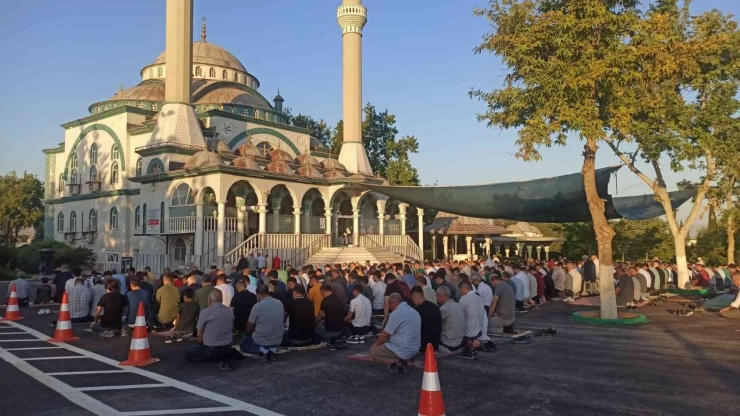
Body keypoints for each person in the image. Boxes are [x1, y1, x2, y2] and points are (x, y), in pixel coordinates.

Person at [185, 290, 239, 371]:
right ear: (222, 299)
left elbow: (199, 334)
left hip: (211, 349)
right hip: (226, 348)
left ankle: (207, 357)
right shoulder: (230, 311)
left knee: (188, 351)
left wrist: (202, 343)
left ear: (209, 300)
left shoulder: (205, 312)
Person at [369, 293, 421, 373]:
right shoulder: (414, 312)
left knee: (373, 352)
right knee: (387, 342)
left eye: (390, 306)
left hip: (402, 350)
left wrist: (375, 345)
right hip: (415, 349)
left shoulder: (396, 313)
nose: (391, 308)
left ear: (393, 303)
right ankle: (405, 360)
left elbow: (385, 335)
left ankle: (398, 361)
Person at [240, 285, 285, 360]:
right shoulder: (279, 303)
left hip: (262, 341)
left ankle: (264, 351)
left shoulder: (257, 306)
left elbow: (249, 326)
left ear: (258, 294)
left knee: (243, 345)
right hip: (278, 340)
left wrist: (247, 334)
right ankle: (273, 350)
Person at [410, 286, 441, 353]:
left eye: (413, 299)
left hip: (424, 347)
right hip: (435, 344)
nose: (413, 302)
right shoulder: (435, 307)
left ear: (416, 296)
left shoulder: (418, 311)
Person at [457, 281, 483, 359]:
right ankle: (473, 349)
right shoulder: (478, 297)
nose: (460, 292)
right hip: (478, 328)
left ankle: (468, 350)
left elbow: (459, 314)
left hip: (468, 330)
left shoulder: (464, 298)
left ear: (465, 288)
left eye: (460, 290)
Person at [316, 285, 346, 349]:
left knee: (316, 329)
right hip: (341, 329)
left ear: (323, 291)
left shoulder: (325, 301)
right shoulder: (339, 299)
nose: (321, 294)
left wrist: (314, 324)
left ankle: (325, 341)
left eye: (321, 292)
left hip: (330, 330)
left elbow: (319, 317)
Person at [436, 286, 465, 353]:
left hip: (447, 344)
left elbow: (435, 323)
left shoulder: (444, 308)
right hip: (459, 343)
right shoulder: (459, 306)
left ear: (440, 296)